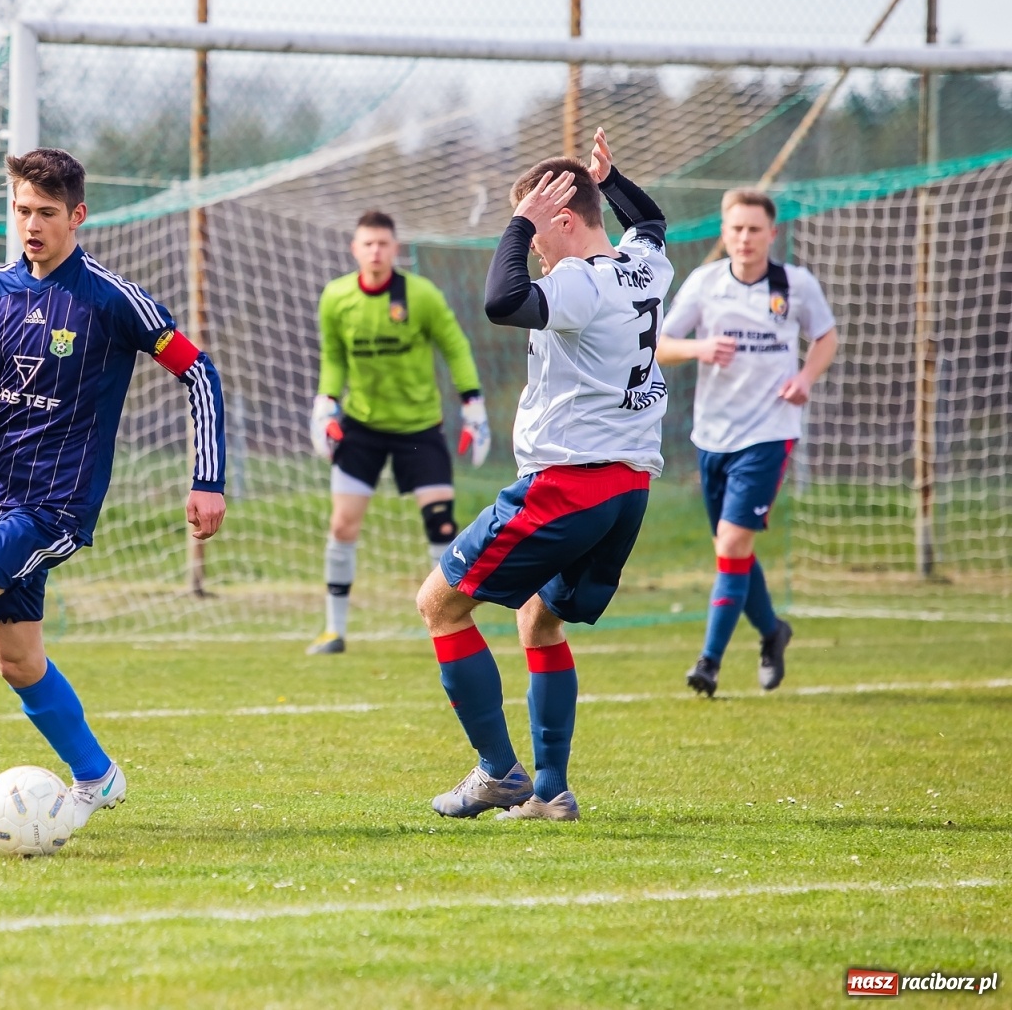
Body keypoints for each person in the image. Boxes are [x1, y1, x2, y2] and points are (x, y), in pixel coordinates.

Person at [0, 147, 227, 825]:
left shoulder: (109, 297)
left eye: (45, 212)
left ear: (77, 216)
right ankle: (98, 773)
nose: (31, 224)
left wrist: (207, 478)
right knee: (17, 659)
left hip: (55, 502)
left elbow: (199, 372)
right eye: (21, 211)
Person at [415, 128, 671, 822]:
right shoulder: (644, 265)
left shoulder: (582, 282)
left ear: (561, 217)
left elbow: (502, 301)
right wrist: (610, 180)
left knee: (439, 603)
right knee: (539, 620)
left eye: (536, 231)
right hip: (628, 489)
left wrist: (520, 218)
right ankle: (553, 792)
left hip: (569, 484)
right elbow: (650, 221)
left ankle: (499, 772)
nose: (531, 246)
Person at [657, 189, 838, 697]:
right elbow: (660, 345)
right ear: (724, 230)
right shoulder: (705, 283)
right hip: (713, 435)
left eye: (754, 229)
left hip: (770, 432)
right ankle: (772, 631)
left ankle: (709, 662)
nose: (744, 238)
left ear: (771, 234)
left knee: (733, 544)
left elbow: (826, 337)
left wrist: (805, 378)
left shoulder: (795, 285)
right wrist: (700, 348)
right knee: (732, 549)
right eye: (736, 228)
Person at [306, 210, 491, 656]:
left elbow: (455, 345)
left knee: (441, 525)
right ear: (355, 249)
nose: (376, 251)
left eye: (383, 244)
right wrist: (325, 401)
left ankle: (447, 626)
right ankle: (334, 631)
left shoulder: (420, 295)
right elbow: (333, 356)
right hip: (362, 427)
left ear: (395, 248)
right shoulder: (336, 297)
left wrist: (474, 405)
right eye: (367, 243)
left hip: (419, 428)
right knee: (342, 524)